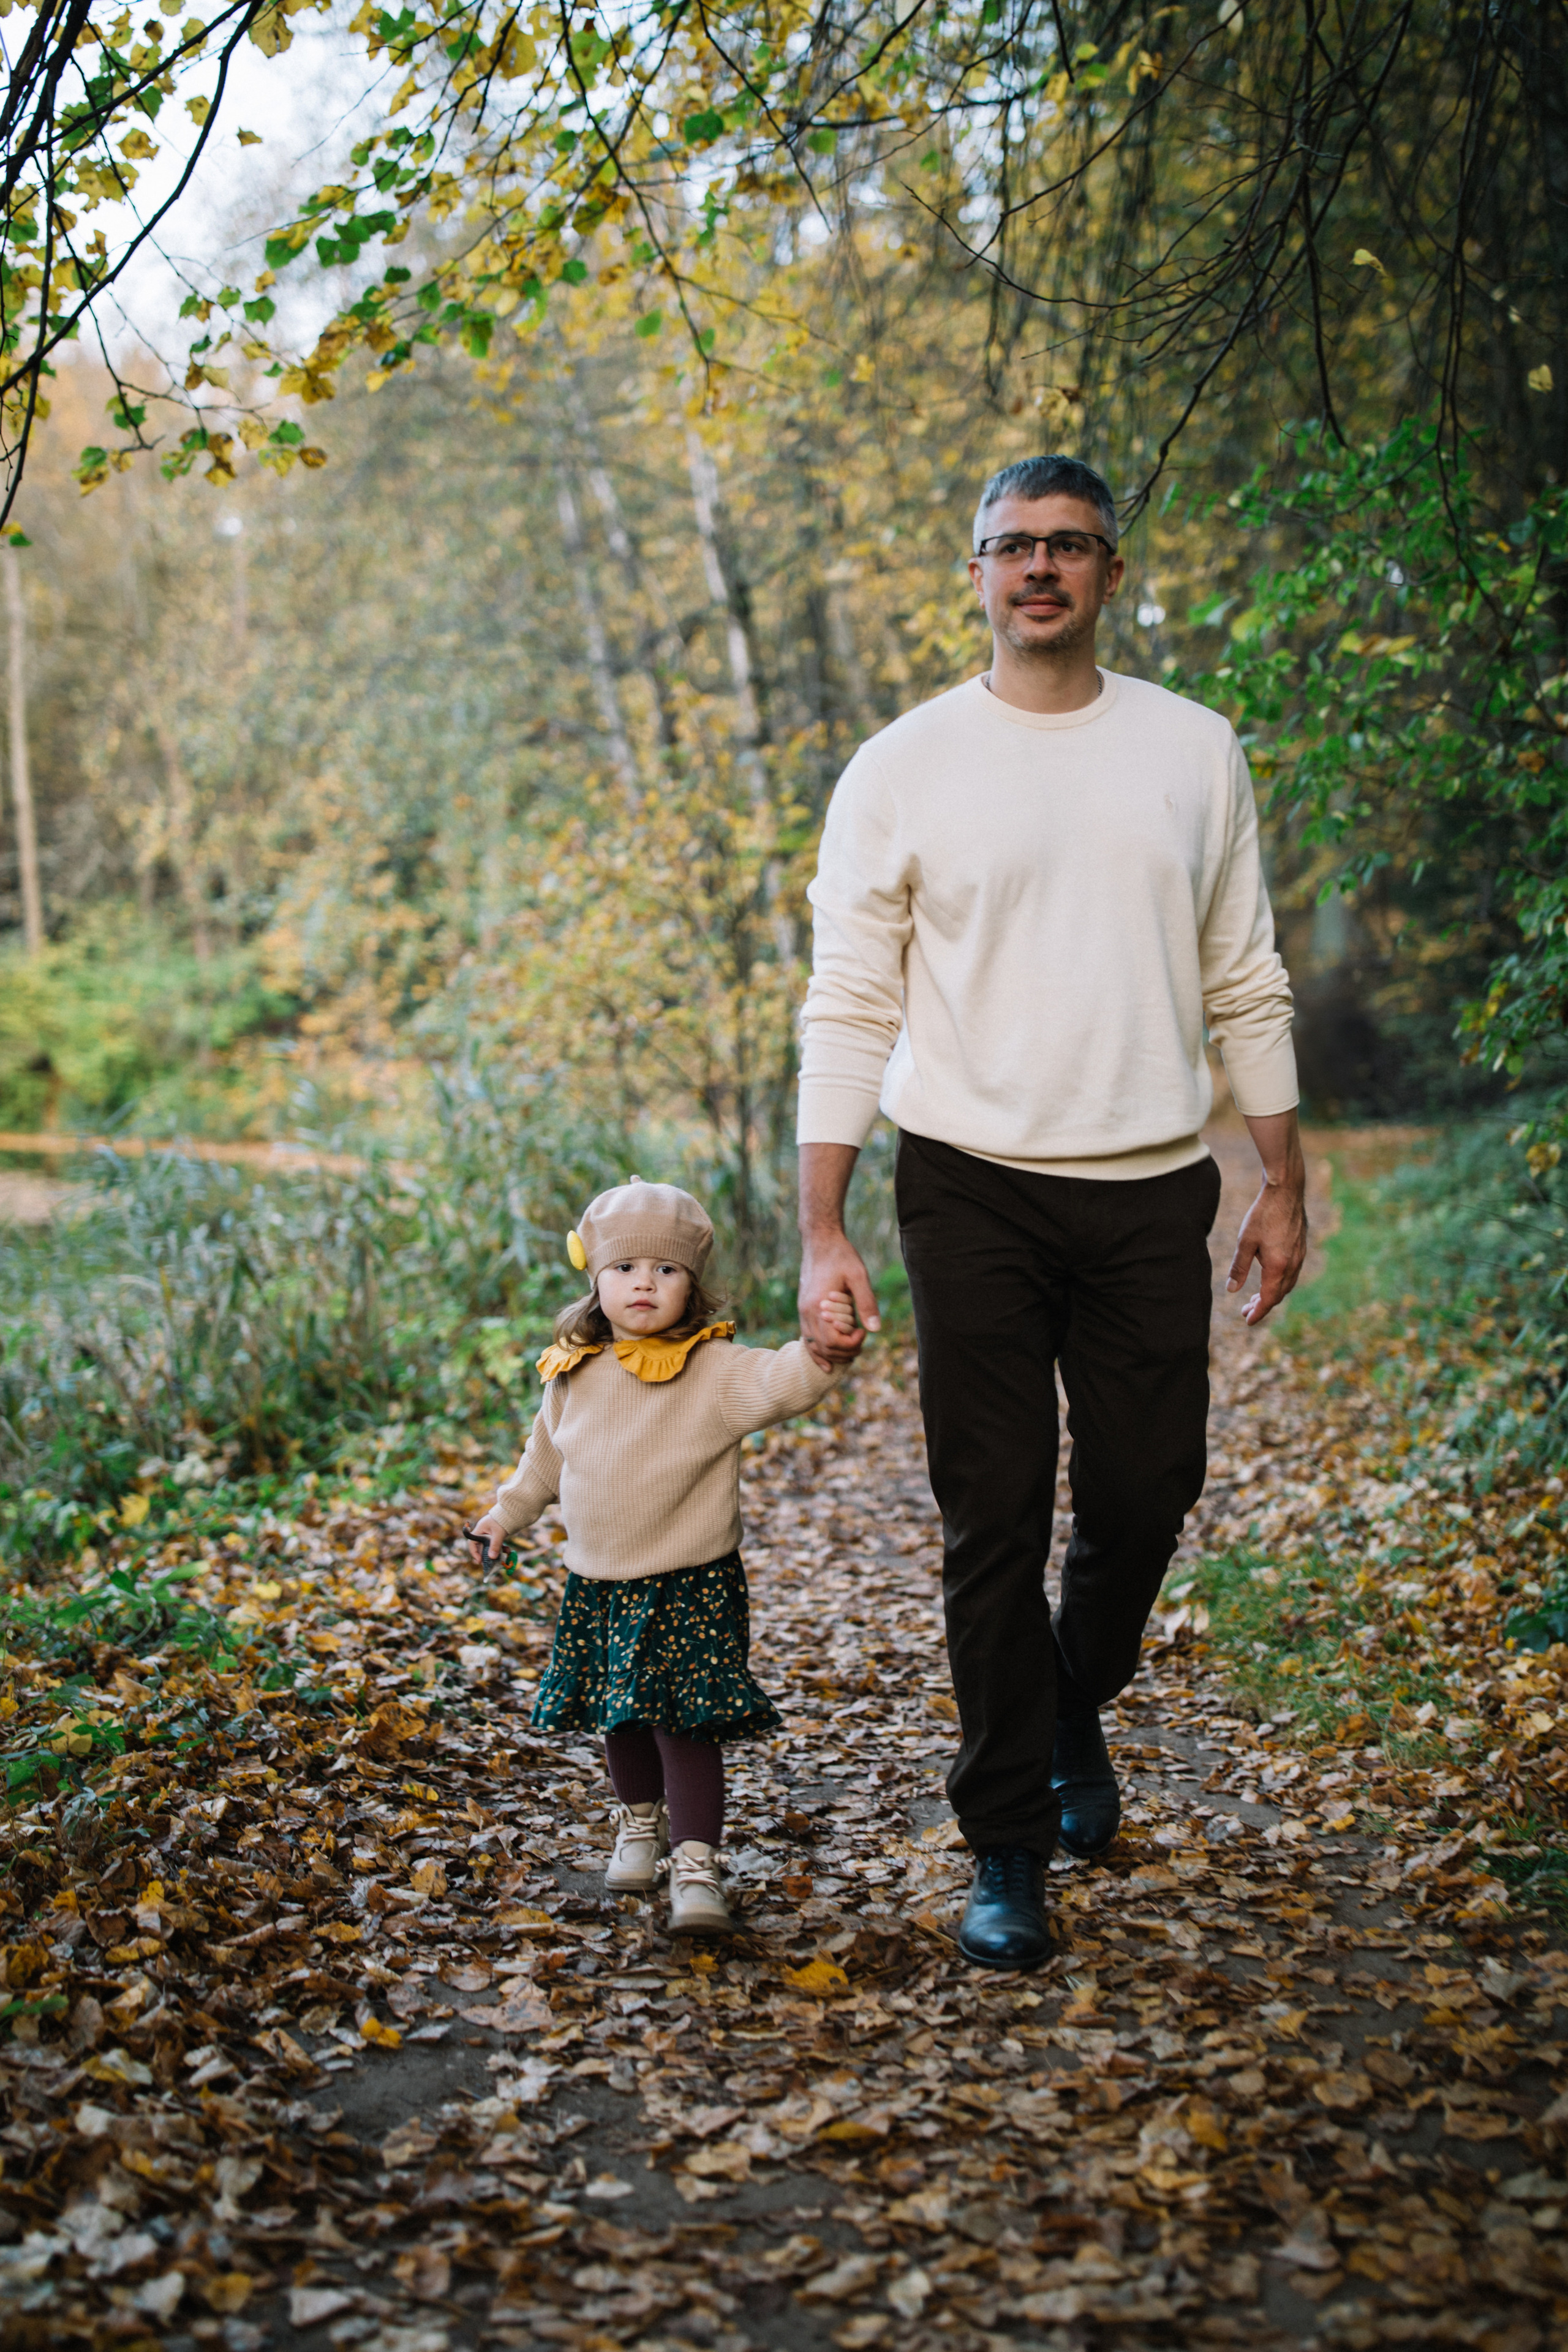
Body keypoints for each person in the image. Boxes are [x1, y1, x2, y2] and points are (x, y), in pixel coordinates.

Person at [794, 453, 1307, 1970]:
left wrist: (1279, 1175)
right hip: (966, 1185)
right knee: (991, 1511)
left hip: (1153, 1178)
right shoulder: (900, 765)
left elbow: (1243, 973)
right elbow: (845, 1002)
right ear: (973, 572)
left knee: (1148, 1488)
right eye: (1009, 546)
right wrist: (821, 1223)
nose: (1037, 569)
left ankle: (1071, 1693)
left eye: (1066, 546)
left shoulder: (1191, 748)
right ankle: (1005, 1835)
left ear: (1107, 571)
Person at [467, 1178, 843, 1934]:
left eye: (666, 1270)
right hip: (599, 1582)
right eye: (626, 1267)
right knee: (623, 1719)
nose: (645, 1282)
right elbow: (544, 1461)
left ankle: (698, 1867)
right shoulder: (573, 1371)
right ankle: (640, 1822)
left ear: (691, 1285)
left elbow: (783, 1382)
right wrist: (504, 1514)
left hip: (689, 1581)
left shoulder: (714, 1368)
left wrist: (824, 1348)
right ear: (596, 1278)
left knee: (684, 1725)